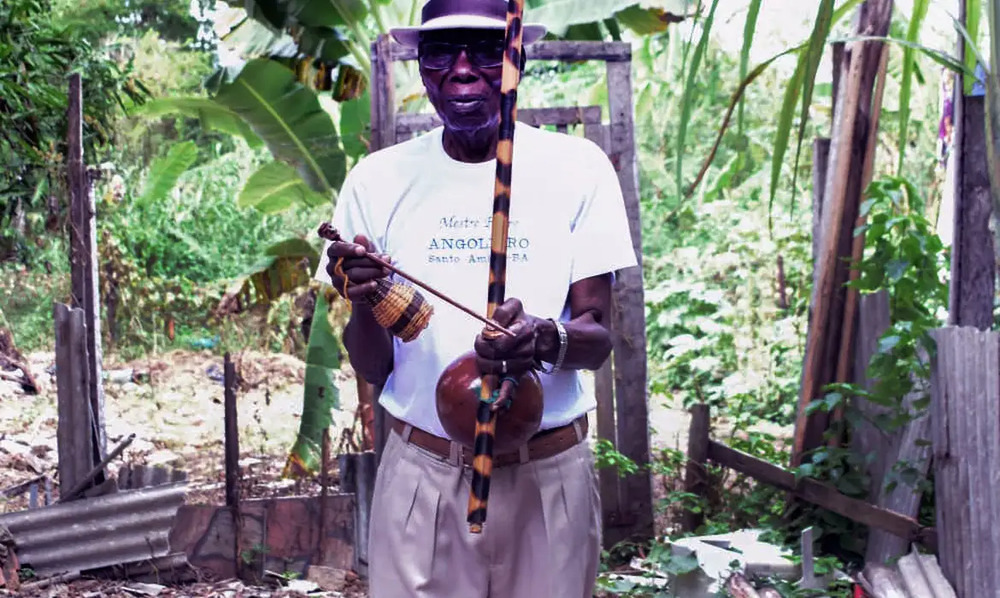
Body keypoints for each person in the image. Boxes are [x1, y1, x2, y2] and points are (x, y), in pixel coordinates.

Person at [313, 1, 638, 595]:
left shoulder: (579, 169)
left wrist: (543, 337)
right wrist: (363, 298)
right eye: (441, 52)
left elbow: (596, 340)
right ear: (421, 67)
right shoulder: (376, 180)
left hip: (549, 475)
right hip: (423, 474)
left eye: (486, 50)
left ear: (517, 59)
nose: (463, 69)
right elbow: (371, 366)